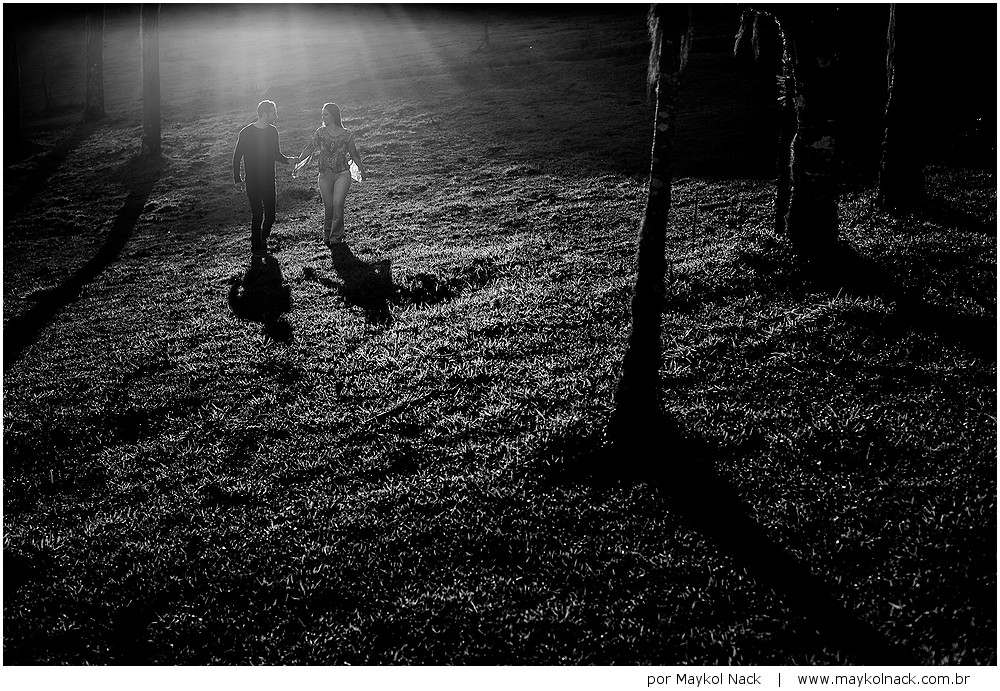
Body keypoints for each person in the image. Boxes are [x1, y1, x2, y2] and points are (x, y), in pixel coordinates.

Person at [291, 103, 367, 248]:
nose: (323, 117)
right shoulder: (320, 132)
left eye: (325, 114)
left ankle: (336, 237)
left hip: (342, 174)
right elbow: (309, 148)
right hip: (324, 175)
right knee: (329, 207)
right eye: (322, 115)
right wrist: (298, 160)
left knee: (337, 204)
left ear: (333, 115)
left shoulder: (347, 134)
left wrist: (362, 170)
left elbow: (354, 153)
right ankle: (327, 235)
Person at [232, 100, 295, 260]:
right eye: (273, 113)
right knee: (258, 214)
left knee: (271, 215)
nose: (276, 116)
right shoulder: (246, 133)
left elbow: (275, 154)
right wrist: (238, 179)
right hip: (252, 180)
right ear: (265, 114)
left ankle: (263, 237)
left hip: (268, 179)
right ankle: (256, 248)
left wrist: (289, 160)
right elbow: (237, 156)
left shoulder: (273, 131)